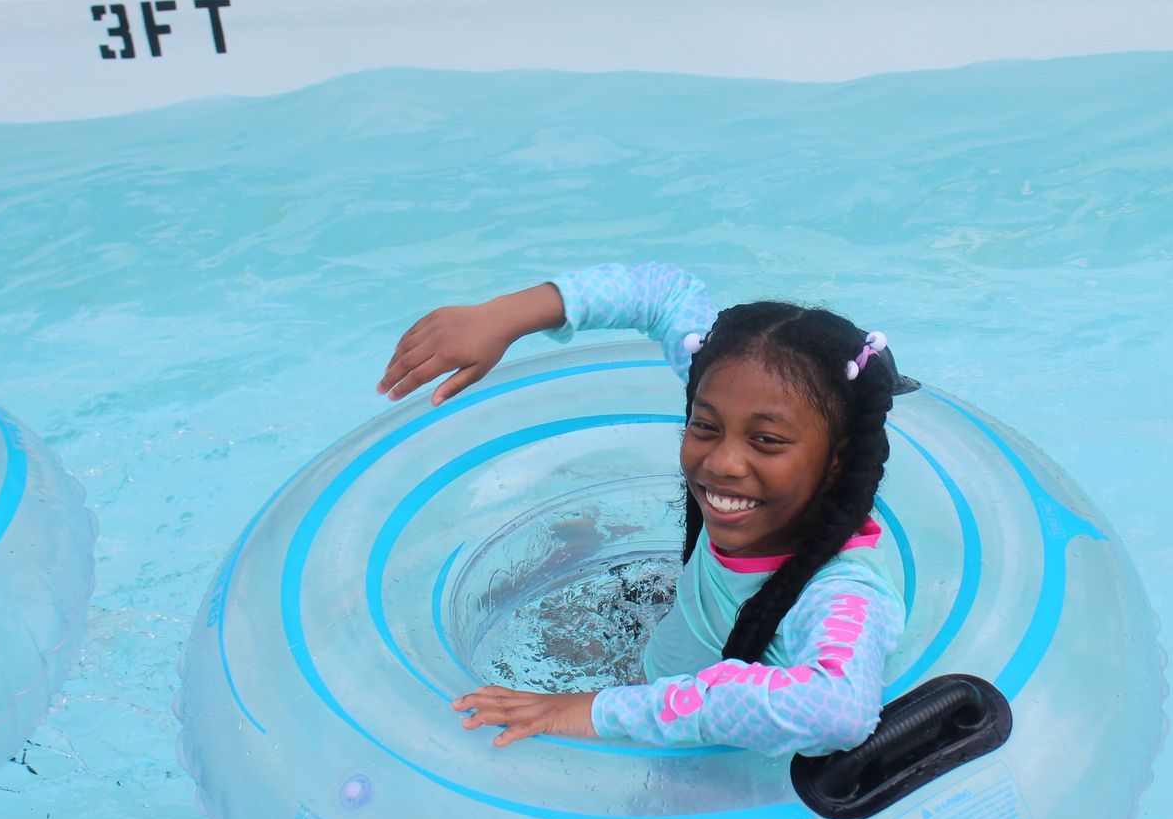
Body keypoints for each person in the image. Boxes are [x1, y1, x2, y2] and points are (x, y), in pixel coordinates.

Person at [377, 262, 910, 758]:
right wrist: (504, 317)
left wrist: (598, 710)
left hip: (713, 776)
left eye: (766, 440)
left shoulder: (842, 593)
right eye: (705, 426)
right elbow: (665, 294)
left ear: (837, 459)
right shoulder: (736, 394)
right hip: (658, 669)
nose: (722, 461)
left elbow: (838, 710)